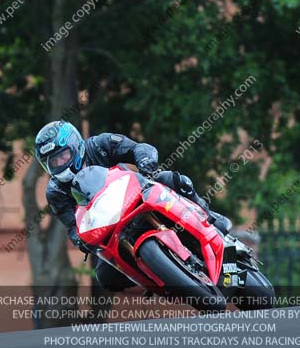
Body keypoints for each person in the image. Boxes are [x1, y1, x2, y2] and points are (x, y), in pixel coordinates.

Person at [35, 120, 231, 291]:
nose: (60, 162)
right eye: (53, 161)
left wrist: (145, 160)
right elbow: (72, 225)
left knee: (170, 179)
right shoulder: (56, 192)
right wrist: (80, 240)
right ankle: (156, 275)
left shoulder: (100, 144)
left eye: (63, 155)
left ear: (75, 145)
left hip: (137, 198)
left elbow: (138, 148)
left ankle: (210, 218)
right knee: (105, 276)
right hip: (110, 230)